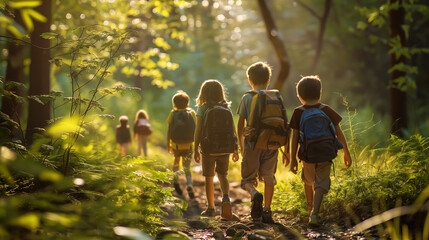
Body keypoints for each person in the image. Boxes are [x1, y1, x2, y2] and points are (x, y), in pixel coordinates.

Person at [289, 75, 352, 225]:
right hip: (326, 153)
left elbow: (295, 138)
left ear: (299, 95)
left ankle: (309, 207)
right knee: (321, 183)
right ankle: (315, 213)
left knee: (308, 181)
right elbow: (338, 132)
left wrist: (292, 159)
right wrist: (346, 151)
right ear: (320, 93)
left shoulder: (298, 112)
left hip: (307, 155)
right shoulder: (326, 109)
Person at [237, 62, 289, 223]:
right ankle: (267, 211)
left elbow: (240, 124)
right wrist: (286, 150)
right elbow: (285, 125)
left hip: (252, 144)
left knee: (246, 180)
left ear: (250, 80)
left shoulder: (247, 97)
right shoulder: (276, 97)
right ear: (268, 80)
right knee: (268, 177)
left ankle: (254, 194)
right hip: (273, 143)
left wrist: (241, 146)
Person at [194, 79, 239, 220]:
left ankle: (211, 208)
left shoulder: (203, 108)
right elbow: (232, 129)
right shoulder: (226, 107)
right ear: (221, 93)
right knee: (223, 174)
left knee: (209, 177)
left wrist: (195, 148)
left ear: (203, 93)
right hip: (225, 147)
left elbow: (198, 130)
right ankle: (226, 199)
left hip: (208, 148)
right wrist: (235, 148)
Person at [167, 91, 197, 199]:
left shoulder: (173, 113)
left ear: (174, 103)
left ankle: (175, 181)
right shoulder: (192, 113)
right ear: (187, 103)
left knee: (176, 162)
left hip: (176, 145)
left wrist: (168, 144)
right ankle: (189, 183)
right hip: (189, 144)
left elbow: (169, 130)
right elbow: (196, 129)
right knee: (187, 166)